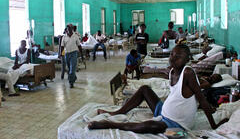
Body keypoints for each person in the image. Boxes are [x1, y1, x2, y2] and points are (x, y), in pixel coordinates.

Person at [88, 44, 229, 134]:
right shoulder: (173, 70)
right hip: (163, 111)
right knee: (144, 89)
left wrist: (214, 126)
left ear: (187, 60)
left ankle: (110, 124)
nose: (173, 58)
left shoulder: (188, 73)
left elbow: (202, 101)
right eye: (173, 54)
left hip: (176, 123)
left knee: (150, 127)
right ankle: (117, 112)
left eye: (178, 56)